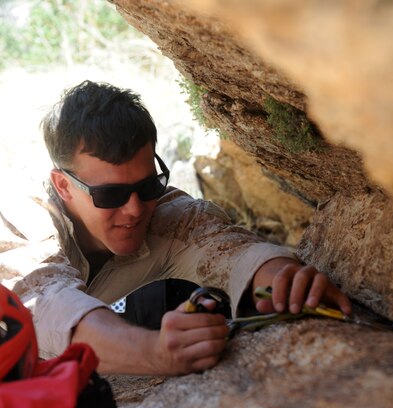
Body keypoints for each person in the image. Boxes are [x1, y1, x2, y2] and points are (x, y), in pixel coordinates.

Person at [2, 80, 351, 377]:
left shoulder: (164, 215)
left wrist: (286, 280)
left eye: (149, 186)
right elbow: (43, 303)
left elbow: (220, 244)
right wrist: (154, 352)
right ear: (63, 186)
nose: (136, 208)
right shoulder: (19, 216)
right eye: (111, 194)